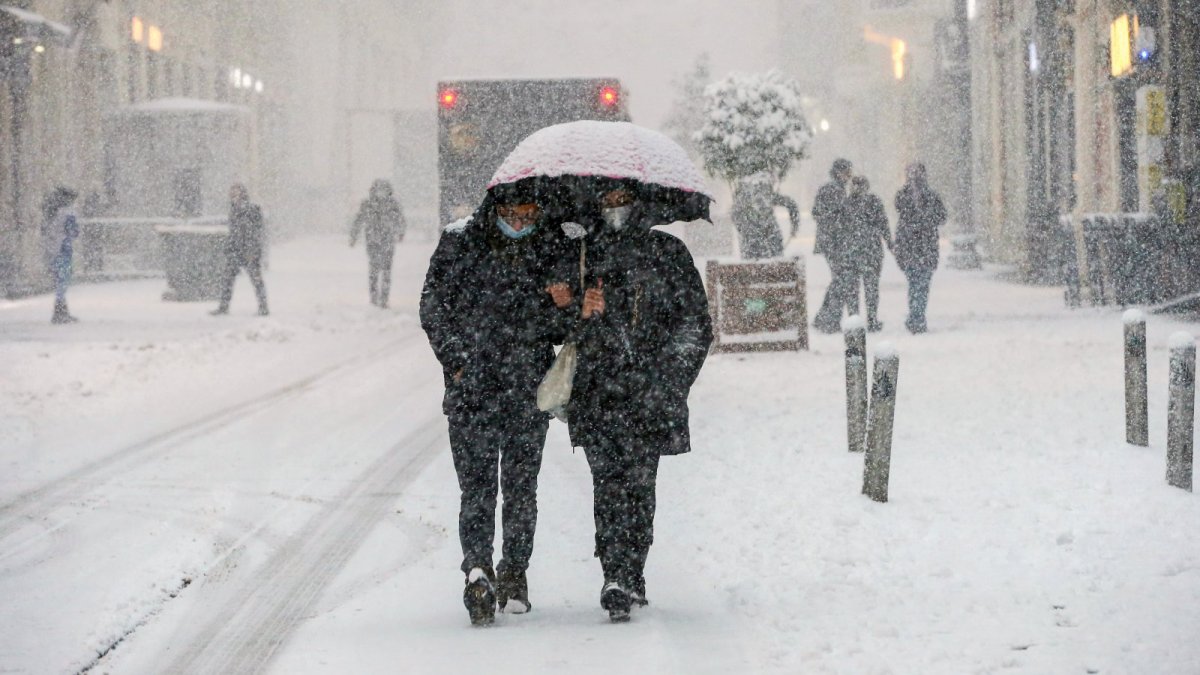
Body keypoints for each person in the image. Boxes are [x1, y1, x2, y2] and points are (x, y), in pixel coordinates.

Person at [546, 179, 713, 622]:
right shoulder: (582, 255)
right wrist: (579, 311)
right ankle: (614, 573)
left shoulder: (668, 254)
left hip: (649, 393)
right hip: (598, 392)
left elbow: (694, 323)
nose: (616, 208)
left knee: (640, 486)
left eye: (624, 201)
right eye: (608, 201)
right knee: (607, 482)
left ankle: (632, 569)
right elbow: (559, 331)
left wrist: (670, 379)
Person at [419, 178, 565, 626]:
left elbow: (559, 329)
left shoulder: (550, 246)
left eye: (529, 217)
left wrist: (562, 303)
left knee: (522, 489)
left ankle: (514, 571)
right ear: (495, 208)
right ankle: (478, 570)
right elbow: (432, 305)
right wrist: (458, 360)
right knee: (478, 488)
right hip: (473, 391)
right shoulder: (460, 242)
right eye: (512, 216)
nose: (520, 224)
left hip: (527, 388)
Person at [894, 163, 947, 333]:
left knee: (918, 284)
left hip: (919, 247)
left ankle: (916, 317)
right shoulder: (909, 196)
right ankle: (916, 317)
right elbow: (940, 217)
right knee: (919, 285)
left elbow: (941, 217)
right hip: (918, 247)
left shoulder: (922, 196)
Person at [212, 184, 269, 317]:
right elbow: (235, 232)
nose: (233, 196)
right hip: (236, 251)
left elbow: (254, 232)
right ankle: (224, 307)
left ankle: (263, 307)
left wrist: (252, 250)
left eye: (236, 193)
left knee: (255, 280)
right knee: (228, 279)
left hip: (248, 251)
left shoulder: (251, 209)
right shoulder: (234, 210)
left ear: (242, 194)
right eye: (232, 193)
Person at [811, 158, 854, 332]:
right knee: (841, 281)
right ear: (839, 172)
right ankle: (829, 319)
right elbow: (821, 213)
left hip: (832, 242)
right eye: (847, 172)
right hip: (834, 243)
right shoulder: (834, 190)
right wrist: (837, 221)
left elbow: (818, 212)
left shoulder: (835, 189)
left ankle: (824, 317)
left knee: (839, 280)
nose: (849, 176)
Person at [844, 176, 892, 332]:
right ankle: (871, 320)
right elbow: (883, 223)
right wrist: (889, 242)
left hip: (852, 252)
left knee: (853, 289)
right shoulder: (873, 202)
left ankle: (854, 320)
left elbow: (839, 229)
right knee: (871, 288)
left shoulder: (847, 203)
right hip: (871, 252)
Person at [350, 179, 407, 308]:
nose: (381, 193)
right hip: (373, 240)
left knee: (386, 270)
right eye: (379, 190)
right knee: (374, 269)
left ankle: (383, 299)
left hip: (386, 240)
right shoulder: (368, 204)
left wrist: (401, 231)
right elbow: (359, 219)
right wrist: (354, 235)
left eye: (383, 190)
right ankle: (375, 298)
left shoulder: (392, 204)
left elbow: (400, 219)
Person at [731, 173, 800, 259]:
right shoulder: (767, 197)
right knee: (773, 262)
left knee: (755, 263)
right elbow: (791, 204)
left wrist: (743, 228)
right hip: (765, 238)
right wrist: (794, 226)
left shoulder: (744, 199)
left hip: (755, 239)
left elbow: (735, 214)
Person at [41, 187, 80, 324]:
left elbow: (44, 230)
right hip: (63, 249)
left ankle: (61, 311)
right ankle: (60, 312)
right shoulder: (68, 212)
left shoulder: (51, 212)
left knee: (59, 280)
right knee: (63, 281)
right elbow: (73, 231)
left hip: (52, 249)